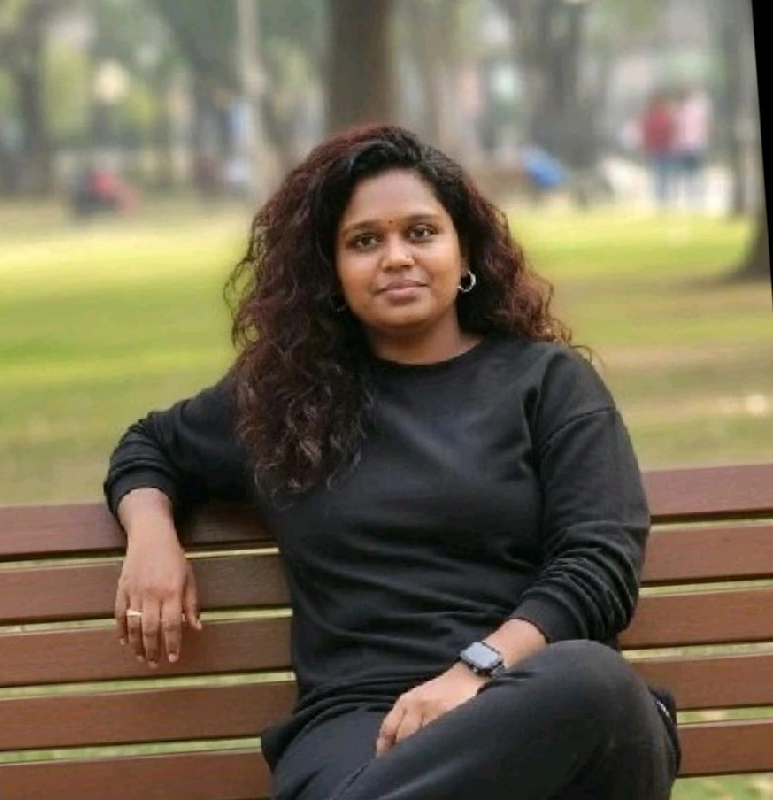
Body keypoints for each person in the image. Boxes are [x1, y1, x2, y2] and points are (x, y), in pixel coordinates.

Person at [103, 124, 680, 800]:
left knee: (596, 684)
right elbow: (150, 446)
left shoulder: (546, 383)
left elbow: (600, 564)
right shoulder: (288, 401)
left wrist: (476, 671)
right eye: (364, 241)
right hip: (361, 725)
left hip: (534, 703)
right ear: (331, 271)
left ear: (464, 250)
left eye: (421, 232)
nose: (397, 257)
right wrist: (151, 534)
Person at [672, 86, 711, 210]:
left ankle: (689, 199)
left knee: (685, 174)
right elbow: (704, 127)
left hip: (683, 146)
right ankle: (696, 199)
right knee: (696, 173)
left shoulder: (678, 111)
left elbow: (676, 130)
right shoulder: (698, 110)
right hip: (696, 145)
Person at [640, 89, 677, 209]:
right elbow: (672, 130)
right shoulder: (665, 115)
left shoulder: (651, 116)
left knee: (658, 174)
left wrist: (646, 146)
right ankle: (663, 198)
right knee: (663, 174)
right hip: (663, 148)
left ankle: (661, 198)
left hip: (658, 148)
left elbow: (646, 132)